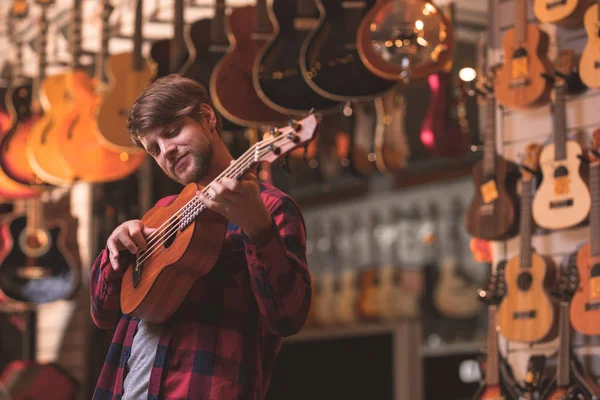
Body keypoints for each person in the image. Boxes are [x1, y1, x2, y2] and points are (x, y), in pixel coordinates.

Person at [90, 74, 312, 400]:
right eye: (154, 149)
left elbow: (288, 317)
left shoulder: (270, 207)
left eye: (172, 132)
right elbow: (101, 312)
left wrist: (258, 229)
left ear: (207, 118)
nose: (166, 151)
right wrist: (116, 253)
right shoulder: (161, 213)